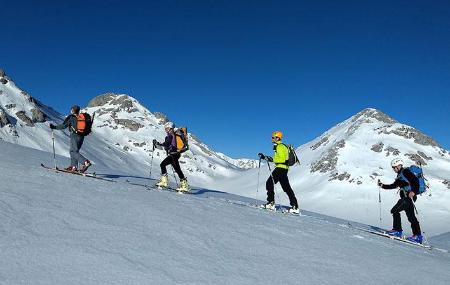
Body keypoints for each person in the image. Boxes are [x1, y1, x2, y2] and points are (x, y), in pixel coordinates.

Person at [378, 158, 423, 243]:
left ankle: (397, 231)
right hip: (407, 197)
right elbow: (394, 185)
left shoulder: (406, 172)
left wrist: (413, 191)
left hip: (408, 197)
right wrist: (382, 185)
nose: (394, 169)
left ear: (399, 165)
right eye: (393, 167)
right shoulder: (400, 175)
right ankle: (417, 236)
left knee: (394, 210)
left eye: (395, 167)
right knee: (411, 217)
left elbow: (415, 180)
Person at [258, 131, 299, 214]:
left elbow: (282, 159)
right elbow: (282, 158)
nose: (272, 139)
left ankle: (271, 203)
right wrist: (267, 157)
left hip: (280, 168)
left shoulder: (280, 146)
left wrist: (270, 159)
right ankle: (295, 206)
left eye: (273, 137)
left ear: (278, 138)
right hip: (284, 169)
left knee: (269, 183)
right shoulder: (281, 146)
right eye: (272, 137)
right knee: (286, 188)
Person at [49, 105, 92, 173]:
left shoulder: (71, 117)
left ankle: (85, 162)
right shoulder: (82, 117)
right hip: (82, 136)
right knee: (75, 151)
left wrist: (54, 127)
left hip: (74, 135)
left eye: (71, 109)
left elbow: (64, 126)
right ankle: (73, 167)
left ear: (72, 110)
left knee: (73, 151)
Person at [153, 122, 189, 192]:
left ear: (171, 129)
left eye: (167, 128)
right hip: (175, 154)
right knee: (175, 168)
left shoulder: (170, 136)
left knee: (169, 166)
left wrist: (158, 144)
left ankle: (166, 182)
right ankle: (182, 184)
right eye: (165, 129)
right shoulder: (173, 135)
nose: (166, 130)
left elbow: (166, 144)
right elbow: (168, 144)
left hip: (174, 155)